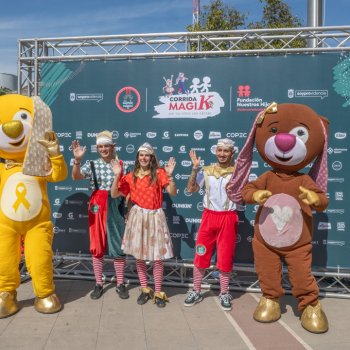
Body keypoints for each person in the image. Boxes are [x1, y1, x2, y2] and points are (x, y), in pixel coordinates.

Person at [110, 142, 176, 308]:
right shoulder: (131, 176)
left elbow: (172, 192)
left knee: (157, 258)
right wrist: (117, 175)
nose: (144, 158)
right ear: (137, 157)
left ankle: (159, 291)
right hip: (138, 217)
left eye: (147, 155)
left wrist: (170, 176)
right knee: (139, 256)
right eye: (141, 155)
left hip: (155, 217)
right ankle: (145, 289)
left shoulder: (160, 173)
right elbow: (114, 194)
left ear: (152, 157)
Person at [71, 131, 128, 300]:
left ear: (112, 147)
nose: (104, 149)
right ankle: (98, 283)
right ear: (97, 148)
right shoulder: (91, 164)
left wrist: (128, 209)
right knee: (97, 244)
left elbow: (127, 190)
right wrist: (77, 160)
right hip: (97, 203)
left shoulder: (122, 164)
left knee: (118, 244)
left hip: (116, 202)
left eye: (106, 146)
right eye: (100, 146)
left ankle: (120, 284)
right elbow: (76, 177)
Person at [184, 138, 238, 311]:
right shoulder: (206, 171)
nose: (222, 154)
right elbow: (190, 190)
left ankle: (224, 293)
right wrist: (194, 168)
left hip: (228, 218)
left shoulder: (238, 172)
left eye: (226, 151)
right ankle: (196, 290)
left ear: (232, 152)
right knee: (201, 254)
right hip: (209, 217)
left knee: (224, 257)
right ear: (216, 151)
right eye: (219, 150)